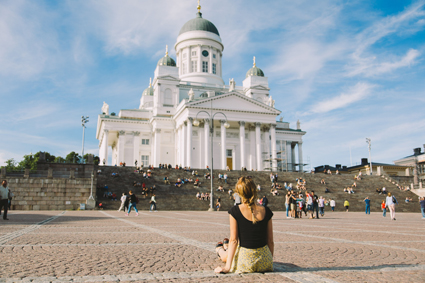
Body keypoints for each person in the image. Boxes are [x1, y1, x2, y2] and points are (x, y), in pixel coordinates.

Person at [214, 176, 274, 274]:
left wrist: (227, 267)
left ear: (239, 193)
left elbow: (234, 240)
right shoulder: (266, 211)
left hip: (246, 262)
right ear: (255, 190)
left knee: (227, 255)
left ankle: (219, 250)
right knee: (233, 249)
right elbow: (270, 241)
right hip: (265, 262)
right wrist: (269, 261)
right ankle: (225, 246)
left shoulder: (235, 211)